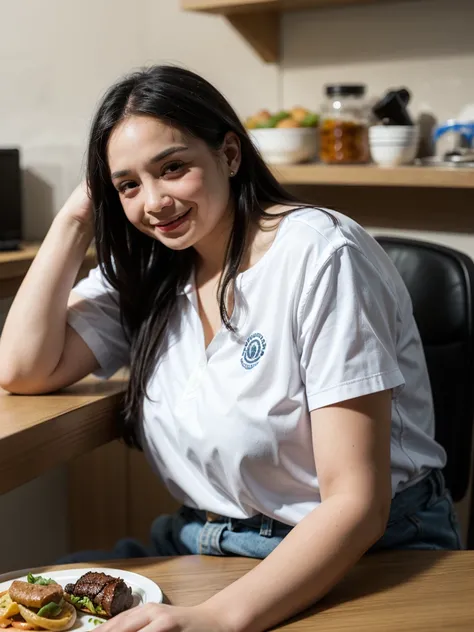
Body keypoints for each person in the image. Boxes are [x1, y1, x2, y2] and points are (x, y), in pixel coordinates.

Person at [0, 65, 462, 632]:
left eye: (173, 168)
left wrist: (215, 619)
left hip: (364, 552)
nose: (155, 203)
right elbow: (23, 368)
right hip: (208, 541)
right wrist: (75, 218)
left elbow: (356, 504)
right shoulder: (155, 267)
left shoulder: (321, 254)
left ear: (230, 154)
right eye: (128, 185)